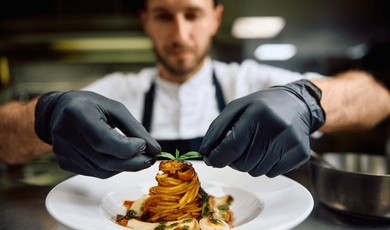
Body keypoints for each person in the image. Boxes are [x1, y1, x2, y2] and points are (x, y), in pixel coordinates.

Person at [1, 0, 389, 179]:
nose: (180, 33)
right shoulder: (117, 90)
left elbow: (378, 96)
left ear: (215, 18)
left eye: (192, 14)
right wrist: (46, 115)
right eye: (164, 16)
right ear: (145, 21)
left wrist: (308, 102)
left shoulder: (251, 79)